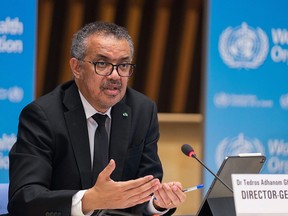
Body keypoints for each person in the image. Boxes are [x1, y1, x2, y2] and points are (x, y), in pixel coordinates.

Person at [8, 21, 186, 216]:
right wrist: (89, 200)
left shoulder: (142, 111)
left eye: (123, 65)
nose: (115, 75)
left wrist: (158, 204)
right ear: (76, 68)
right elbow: (24, 198)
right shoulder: (43, 116)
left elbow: (145, 192)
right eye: (102, 64)